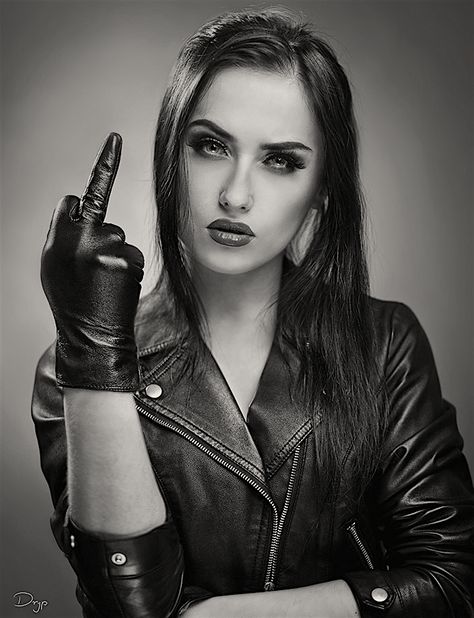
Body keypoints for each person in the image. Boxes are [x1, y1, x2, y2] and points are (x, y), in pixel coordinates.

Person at [32, 7, 474, 618]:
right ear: (171, 158)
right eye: (211, 146)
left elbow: (451, 583)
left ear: (323, 189)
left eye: (280, 160)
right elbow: (127, 604)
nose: (235, 195)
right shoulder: (72, 368)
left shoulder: (384, 343)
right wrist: (94, 352)